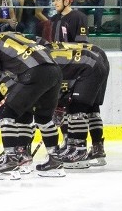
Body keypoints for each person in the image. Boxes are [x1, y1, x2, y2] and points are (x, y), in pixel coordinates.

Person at [0, 22, 63, 179]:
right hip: (54, 70)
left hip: (34, 72)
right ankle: (55, 162)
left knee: (7, 114)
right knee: (42, 117)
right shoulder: (13, 34)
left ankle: (10, 162)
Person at [44, 41, 110, 169]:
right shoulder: (45, 52)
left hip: (89, 65)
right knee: (91, 108)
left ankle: (79, 150)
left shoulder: (39, 61)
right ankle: (92, 147)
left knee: (76, 107)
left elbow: (55, 84)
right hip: (95, 60)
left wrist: (57, 106)